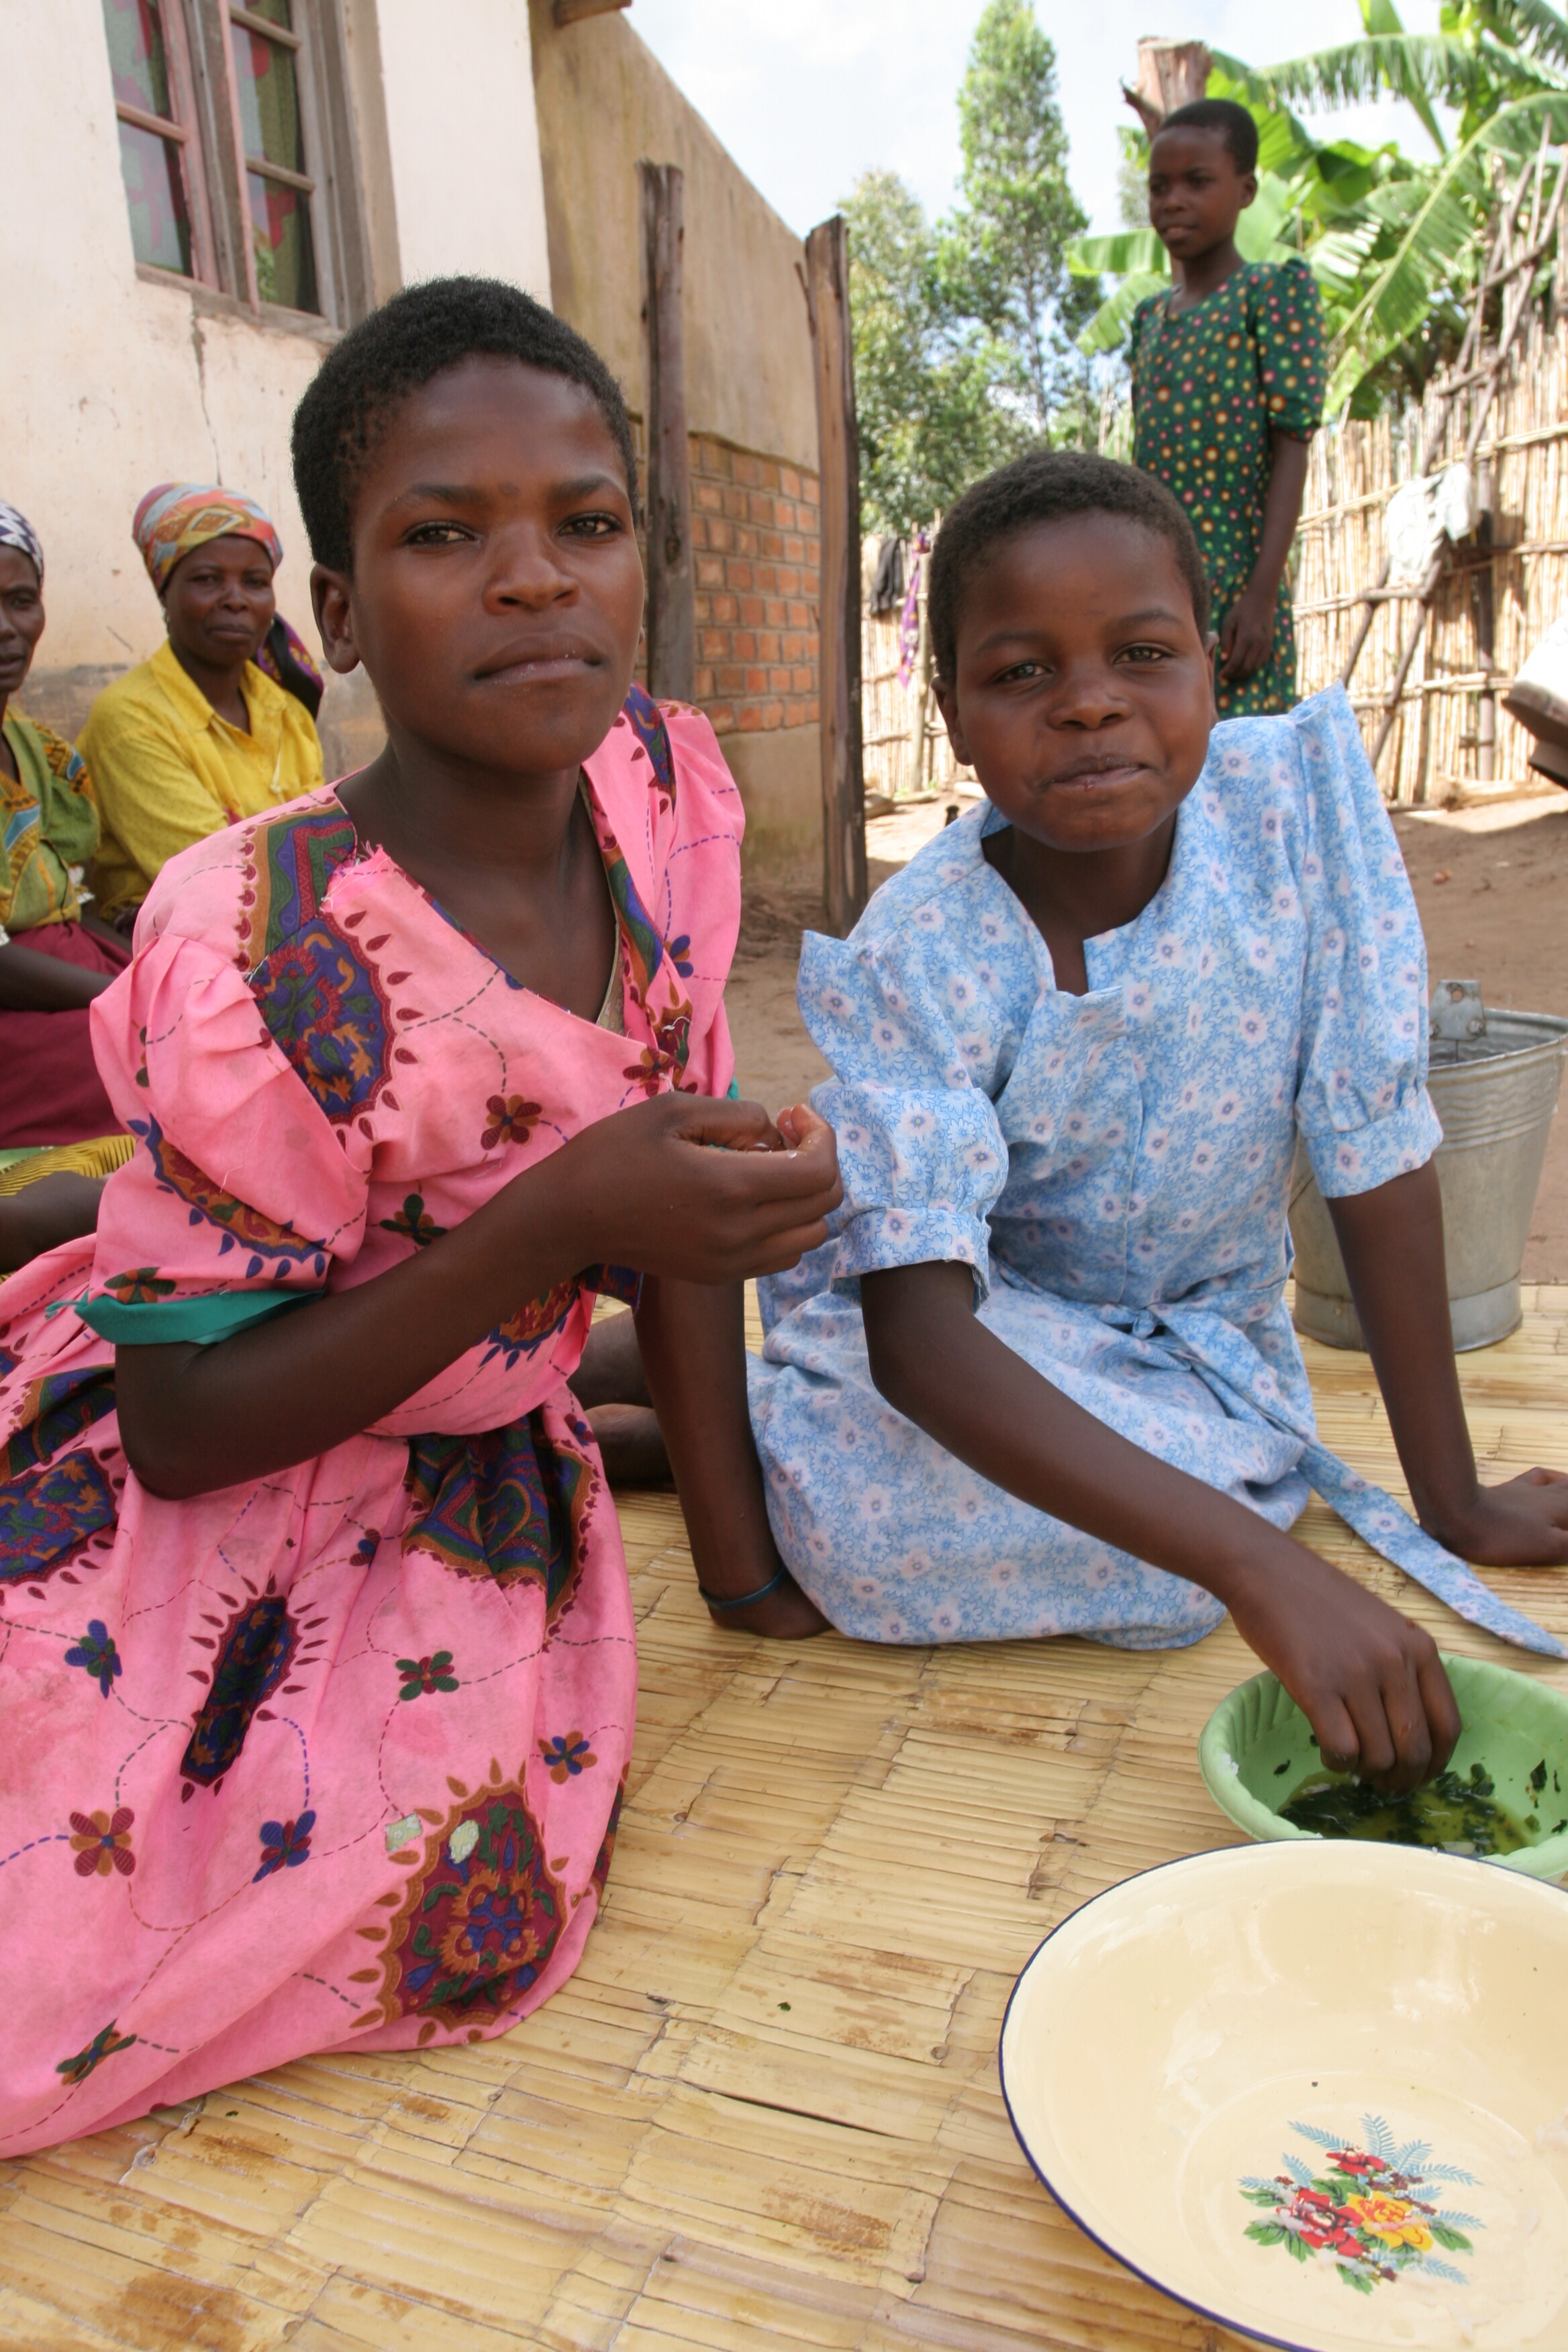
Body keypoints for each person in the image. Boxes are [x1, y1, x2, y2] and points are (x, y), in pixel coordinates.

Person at [0, 276, 840, 2157]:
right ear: (341, 615)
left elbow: (673, 1211)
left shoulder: (661, 797)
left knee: (470, 1874)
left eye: (585, 522)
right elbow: (183, 1425)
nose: (533, 578)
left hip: (470, 1487)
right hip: (215, 1486)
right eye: (445, 535)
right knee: (66, 1944)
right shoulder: (256, 936)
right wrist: (558, 1220)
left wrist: (742, 1581)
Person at [750, 450, 1568, 1792]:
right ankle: (752, 1412)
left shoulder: (1293, 814)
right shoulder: (919, 948)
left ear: (1211, 663)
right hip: (988, 1329)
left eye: (1141, 653)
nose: (1088, 703)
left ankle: (728, 1421)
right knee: (1154, 1541)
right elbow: (921, 1340)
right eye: (1022, 672)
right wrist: (1254, 1568)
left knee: (1175, 1542)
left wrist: (1455, 1500)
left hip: (1202, 1353)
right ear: (950, 714)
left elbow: (1370, 1146)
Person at [1128, 97, 1325, 718]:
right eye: (1159, 187)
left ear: (1246, 191)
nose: (1173, 201)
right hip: (1154, 587)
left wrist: (1261, 596)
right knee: (1159, 747)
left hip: (1239, 589)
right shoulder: (1148, 320)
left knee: (1244, 752)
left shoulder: (1269, 294)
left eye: (1197, 182)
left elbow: (1292, 447)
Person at [80, 483, 324, 928]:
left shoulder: (286, 710)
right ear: (164, 593)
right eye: (207, 580)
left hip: (296, 924)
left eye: (255, 582)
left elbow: (331, 847)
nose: (235, 599)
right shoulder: (130, 719)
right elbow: (219, 880)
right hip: (182, 941)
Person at [0, 503, 131, 1146]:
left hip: (71, 976)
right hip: (18, 1009)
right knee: (157, 1060)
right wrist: (125, 1000)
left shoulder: (41, 753)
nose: (6, 629)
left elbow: (74, 904)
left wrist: (148, 973)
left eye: (21, 601)